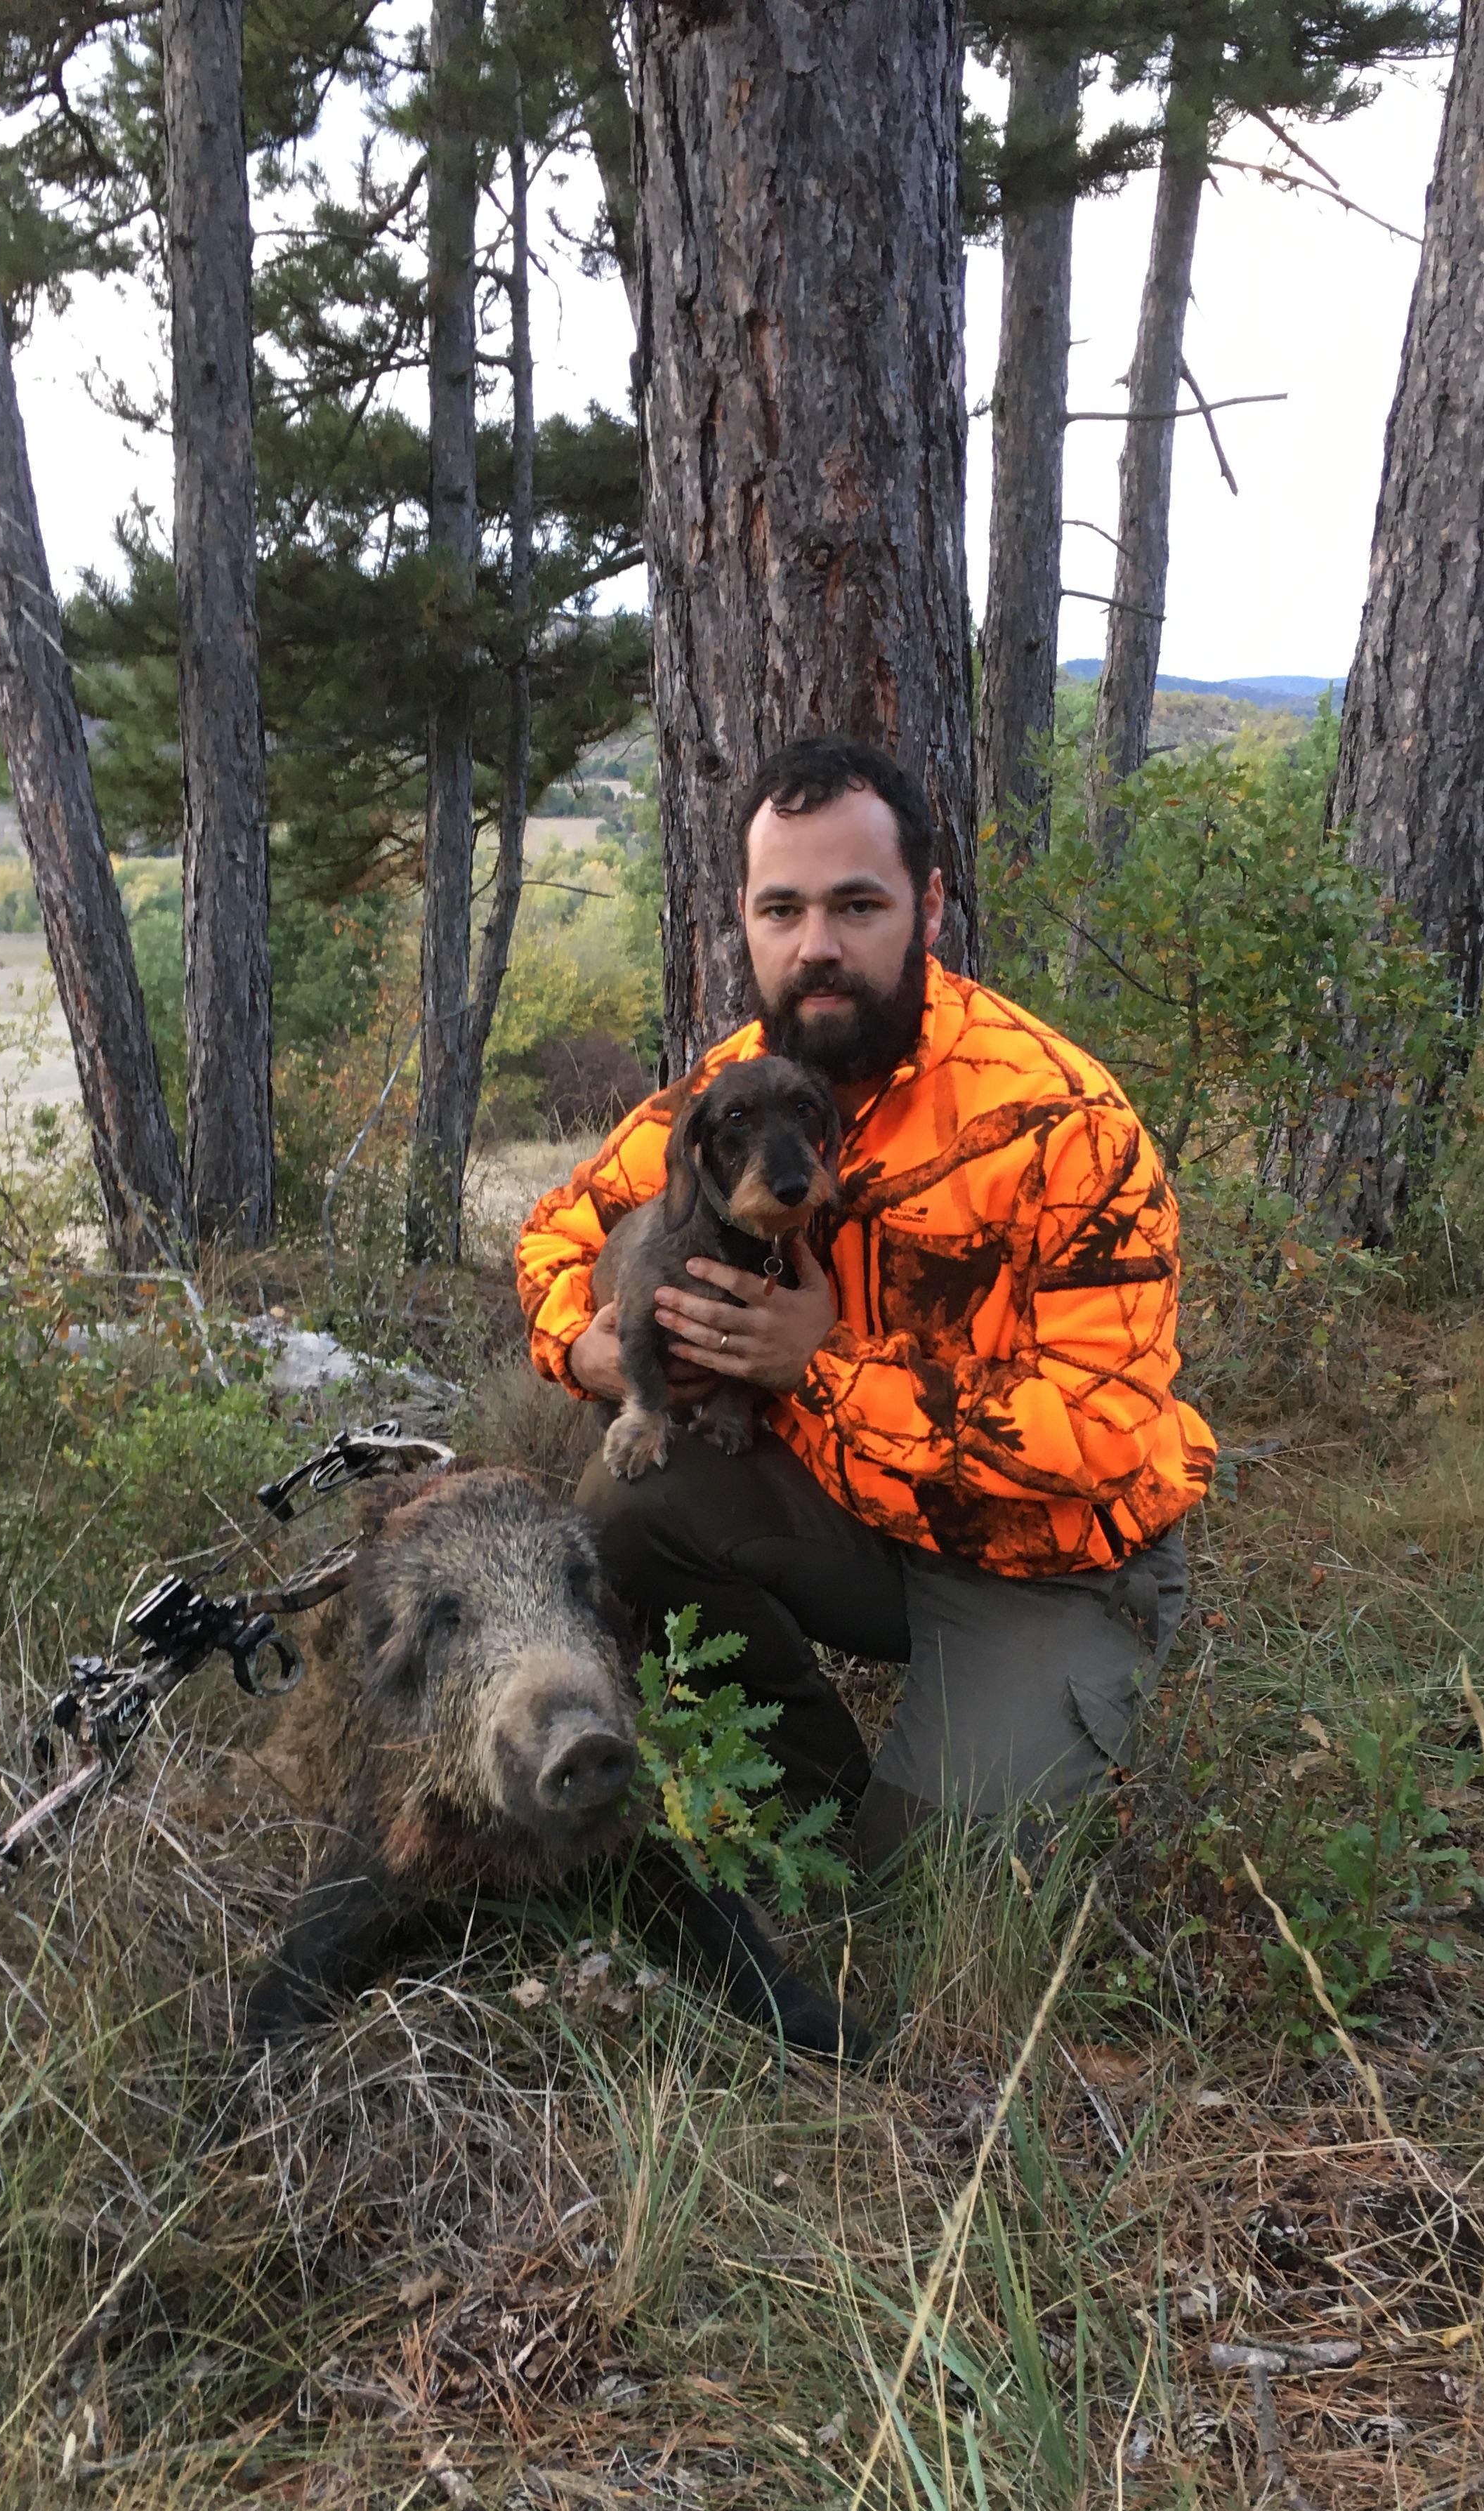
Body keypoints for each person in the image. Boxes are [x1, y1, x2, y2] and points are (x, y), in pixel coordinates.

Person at [515, 736, 1216, 2051]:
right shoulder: (728, 1092)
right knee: (627, 1493)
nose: (815, 947)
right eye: (782, 910)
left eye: (857, 904)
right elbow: (555, 1236)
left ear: (930, 909)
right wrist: (593, 1350)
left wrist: (818, 1374)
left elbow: (1107, 1439)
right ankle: (819, 1771)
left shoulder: (1057, 1121)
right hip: (862, 1521)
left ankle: (965, 1759)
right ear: (745, 924)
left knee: (931, 1890)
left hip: (1044, 1557)